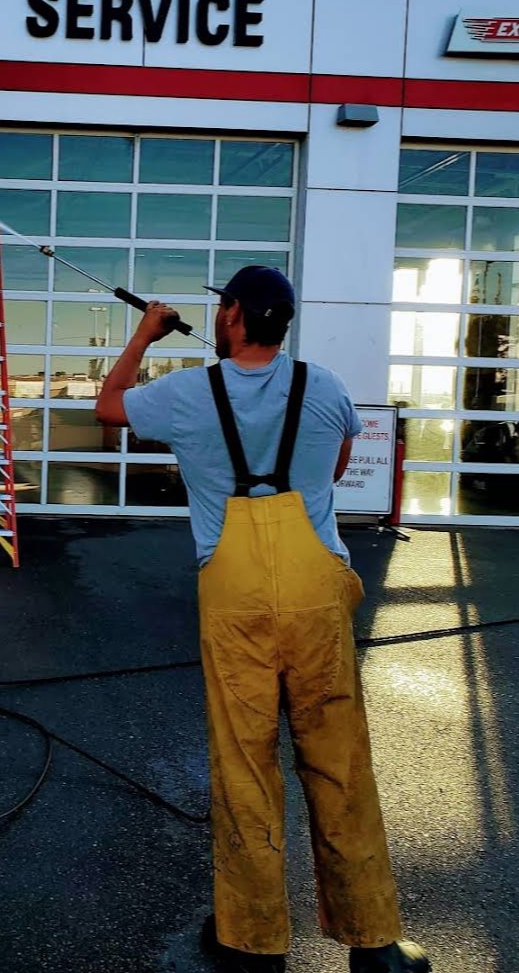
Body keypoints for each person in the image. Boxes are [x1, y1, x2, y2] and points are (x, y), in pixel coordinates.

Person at [95, 266, 429, 973]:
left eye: (223, 307)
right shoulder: (324, 387)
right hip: (316, 584)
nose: (219, 315)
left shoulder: (188, 393)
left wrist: (147, 333)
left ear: (235, 314)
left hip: (234, 590)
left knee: (244, 763)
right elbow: (332, 470)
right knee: (338, 759)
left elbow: (109, 405)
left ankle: (253, 942)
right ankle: (374, 944)